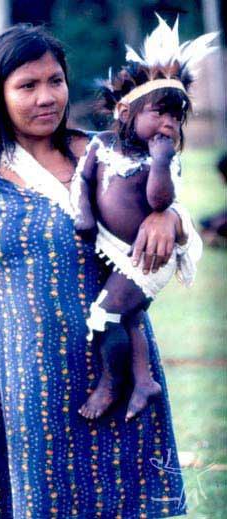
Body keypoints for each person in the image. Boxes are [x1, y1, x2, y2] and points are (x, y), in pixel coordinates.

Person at [0, 24, 197, 519]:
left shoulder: (111, 153)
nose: (46, 97)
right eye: (27, 86)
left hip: (122, 375)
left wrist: (170, 217)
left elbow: (176, 205)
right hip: (31, 383)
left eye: (55, 81)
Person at [71, 14, 210, 423]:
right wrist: (82, 215)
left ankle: (112, 383)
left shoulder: (162, 159)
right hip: (112, 248)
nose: (169, 124)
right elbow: (83, 182)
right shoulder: (100, 145)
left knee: (106, 315)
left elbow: (159, 203)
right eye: (160, 113)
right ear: (124, 110)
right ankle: (144, 379)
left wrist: (162, 163)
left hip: (149, 255)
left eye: (177, 118)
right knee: (129, 316)